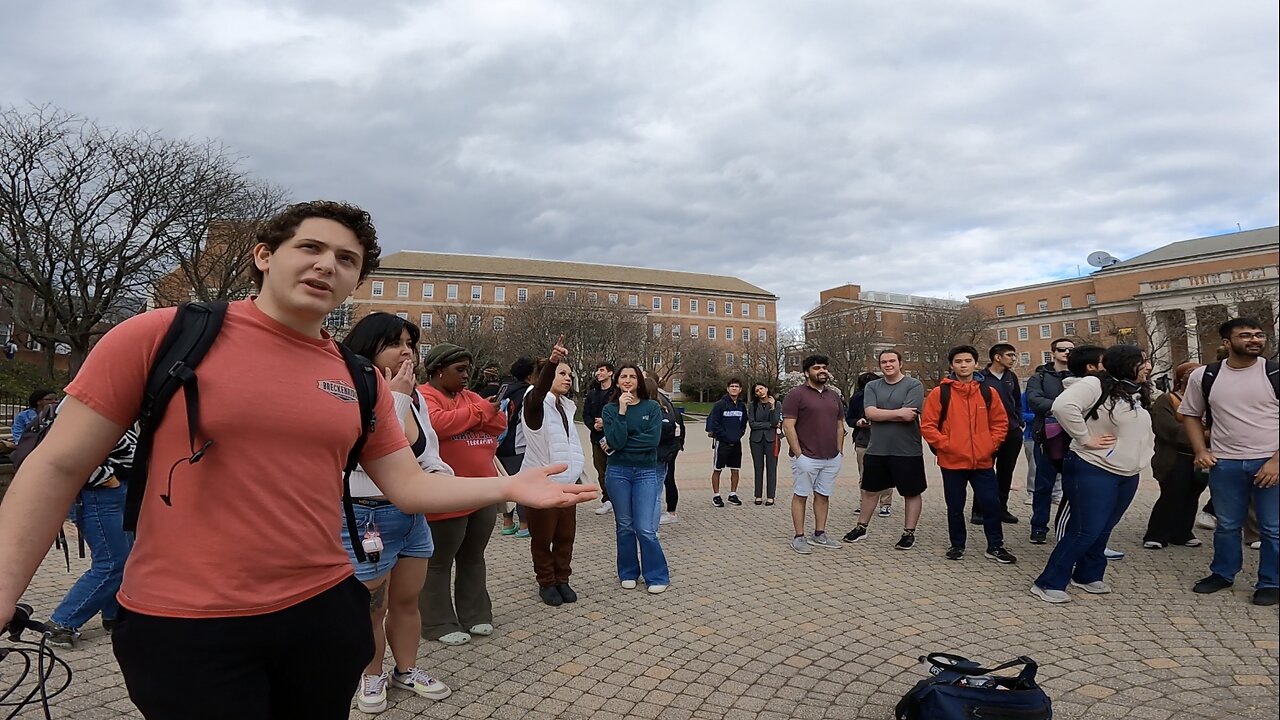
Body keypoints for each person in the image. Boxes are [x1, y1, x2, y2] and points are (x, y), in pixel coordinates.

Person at [0, 200, 594, 720]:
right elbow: (56, 467)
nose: (326, 265)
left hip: (322, 611)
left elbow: (410, 487)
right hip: (184, 620)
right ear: (263, 255)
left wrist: (509, 487)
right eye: (310, 247)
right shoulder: (161, 336)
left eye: (346, 259)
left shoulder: (358, 377)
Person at [340, 313, 453, 712]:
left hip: (410, 514)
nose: (407, 352)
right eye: (396, 343)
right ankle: (370, 676)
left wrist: (440, 475)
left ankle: (406, 670)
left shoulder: (415, 394)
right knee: (374, 606)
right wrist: (397, 397)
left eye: (411, 343)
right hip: (365, 514)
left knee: (407, 601)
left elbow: (425, 450)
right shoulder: (349, 389)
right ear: (369, 348)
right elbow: (372, 446)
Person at [1030, 345, 1153, 603]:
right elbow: (1063, 406)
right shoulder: (1095, 384)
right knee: (1085, 529)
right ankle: (1049, 581)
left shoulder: (1134, 390)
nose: (1148, 366)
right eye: (1142, 361)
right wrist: (1085, 438)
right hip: (1093, 467)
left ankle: (1088, 574)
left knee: (1104, 527)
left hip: (1127, 472)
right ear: (1124, 363)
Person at [1181, 317, 1279, 607]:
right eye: (1246, 335)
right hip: (1225, 463)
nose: (1255, 340)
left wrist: (1276, 461)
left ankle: (1271, 582)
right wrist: (1200, 450)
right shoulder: (1206, 376)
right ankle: (1222, 574)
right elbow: (1190, 414)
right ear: (1227, 342)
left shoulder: (1274, 373)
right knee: (1227, 525)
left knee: (1273, 528)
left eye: (1259, 335)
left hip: (1269, 463)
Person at [417, 342, 508, 646]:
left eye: (468, 369)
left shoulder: (469, 398)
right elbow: (437, 424)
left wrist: (475, 413)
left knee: (473, 556)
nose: (467, 375)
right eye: (460, 370)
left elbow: (499, 423)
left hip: (482, 490)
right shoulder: (423, 396)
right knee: (440, 561)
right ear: (438, 370)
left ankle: (476, 614)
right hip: (447, 492)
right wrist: (480, 412)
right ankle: (437, 621)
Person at [920, 346, 1016, 564]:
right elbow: (928, 426)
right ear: (952, 365)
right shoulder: (939, 393)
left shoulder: (988, 392)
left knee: (991, 504)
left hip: (982, 460)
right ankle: (957, 544)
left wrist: (990, 445)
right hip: (952, 461)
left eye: (967, 361)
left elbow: (1000, 422)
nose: (963, 365)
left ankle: (995, 545)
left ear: (975, 363)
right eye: (958, 361)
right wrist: (948, 445)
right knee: (955, 505)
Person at [45, 423, 138, 648]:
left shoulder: (122, 413)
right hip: (99, 494)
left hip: (115, 493)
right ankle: (63, 622)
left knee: (124, 559)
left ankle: (114, 614)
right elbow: (68, 450)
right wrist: (107, 479)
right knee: (110, 563)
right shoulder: (86, 409)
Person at [520, 339, 587, 607]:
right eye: (562, 372)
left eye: (570, 374)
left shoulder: (566, 407)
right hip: (542, 484)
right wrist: (552, 362)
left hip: (567, 484)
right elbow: (538, 393)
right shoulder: (535, 402)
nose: (568, 378)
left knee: (565, 537)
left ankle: (563, 579)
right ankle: (546, 581)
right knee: (543, 537)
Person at [843, 349, 926, 550]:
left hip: (907, 450)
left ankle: (909, 533)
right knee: (870, 490)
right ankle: (861, 527)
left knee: (911, 492)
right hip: (877, 448)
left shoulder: (914, 385)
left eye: (892, 361)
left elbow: (910, 415)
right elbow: (870, 412)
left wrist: (882, 413)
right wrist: (897, 412)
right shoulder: (872, 386)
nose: (888, 365)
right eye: (884, 362)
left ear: (900, 363)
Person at [602, 365, 668, 593]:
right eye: (623, 377)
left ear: (639, 381)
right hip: (618, 472)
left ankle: (657, 575)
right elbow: (615, 442)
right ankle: (628, 572)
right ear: (617, 381)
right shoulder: (610, 410)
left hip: (646, 472)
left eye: (632, 376)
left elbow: (652, 441)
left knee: (645, 527)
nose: (628, 380)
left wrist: (622, 442)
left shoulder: (652, 407)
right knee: (625, 526)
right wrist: (621, 411)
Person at [782, 355, 846, 554]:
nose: (822, 371)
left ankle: (819, 534)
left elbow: (839, 425)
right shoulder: (796, 395)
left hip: (831, 457)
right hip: (806, 457)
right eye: (817, 367)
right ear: (807, 372)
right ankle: (799, 537)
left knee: (823, 496)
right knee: (801, 495)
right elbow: (788, 425)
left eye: (824, 367)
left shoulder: (833, 395)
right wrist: (799, 455)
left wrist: (840, 452)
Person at [1142, 362, 1207, 550]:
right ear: (1181, 377)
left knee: (1192, 494)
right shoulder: (1167, 399)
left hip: (1201, 457)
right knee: (1173, 493)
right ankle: (1157, 533)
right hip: (1175, 456)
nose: (1195, 375)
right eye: (1189, 372)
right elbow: (1165, 427)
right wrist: (1199, 435)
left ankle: (1182, 532)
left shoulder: (1208, 398)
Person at [1026, 338, 1074, 544]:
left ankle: (1071, 526)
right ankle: (1038, 526)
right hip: (1047, 436)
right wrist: (1065, 407)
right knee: (1043, 484)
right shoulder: (1040, 377)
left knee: (1074, 484)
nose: (1066, 353)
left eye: (1071, 350)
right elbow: (1035, 401)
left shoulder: (1081, 376)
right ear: (1053, 352)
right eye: (1062, 349)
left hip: (1075, 437)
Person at [977, 343, 1023, 525]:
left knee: (1006, 472)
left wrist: (1019, 422)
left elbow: (1017, 401)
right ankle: (979, 509)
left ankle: (1001, 508)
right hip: (986, 431)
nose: (1013, 359)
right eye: (1010, 355)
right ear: (997, 357)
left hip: (1011, 431)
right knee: (983, 471)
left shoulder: (1011, 377)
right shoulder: (981, 378)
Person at [497, 357, 536, 538]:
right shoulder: (529, 392)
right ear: (530, 376)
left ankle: (507, 522)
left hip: (500, 444)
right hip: (518, 445)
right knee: (522, 485)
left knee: (507, 484)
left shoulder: (504, 390)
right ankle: (524, 526)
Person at [846, 372, 889, 517]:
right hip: (863, 439)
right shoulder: (857, 398)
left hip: (883, 438)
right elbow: (849, 418)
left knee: (885, 472)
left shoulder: (885, 397)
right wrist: (857, 422)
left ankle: (885, 504)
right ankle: (864, 502)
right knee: (864, 474)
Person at [707, 378, 748, 507]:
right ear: (727, 388)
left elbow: (743, 423)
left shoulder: (742, 406)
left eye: (737, 386)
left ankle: (732, 494)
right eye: (732, 386)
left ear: (740, 389)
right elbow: (715, 423)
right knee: (717, 469)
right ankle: (716, 495)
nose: (734, 388)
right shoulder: (720, 404)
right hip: (722, 443)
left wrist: (738, 435)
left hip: (736, 443)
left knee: (735, 469)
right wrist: (725, 436)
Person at [582, 362, 616, 515]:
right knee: (601, 470)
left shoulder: (618, 392)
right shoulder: (592, 393)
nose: (598, 373)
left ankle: (619, 500)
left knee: (615, 470)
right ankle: (607, 500)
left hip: (614, 438)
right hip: (597, 439)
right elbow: (586, 415)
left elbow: (624, 413)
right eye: (597, 370)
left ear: (610, 373)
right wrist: (593, 425)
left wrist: (607, 423)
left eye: (602, 370)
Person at [651, 379, 685, 525]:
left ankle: (669, 514)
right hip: (668, 450)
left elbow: (673, 425)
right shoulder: (661, 401)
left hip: (663, 452)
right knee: (663, 483)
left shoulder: (661, 403)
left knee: (664, 483)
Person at [747, 382, 782, 505]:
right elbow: (752, 424)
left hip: (772, 440)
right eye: (757, 391)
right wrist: (768, 425)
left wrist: (772, 408)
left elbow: (776, 421)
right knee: (758, 467)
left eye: (761, 388)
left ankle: (771, 496)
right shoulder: (753, 405)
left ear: (766, 389)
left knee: (772, 468)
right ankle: (758, 495)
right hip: (756, 440)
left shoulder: (776, 404)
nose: (760, 392)